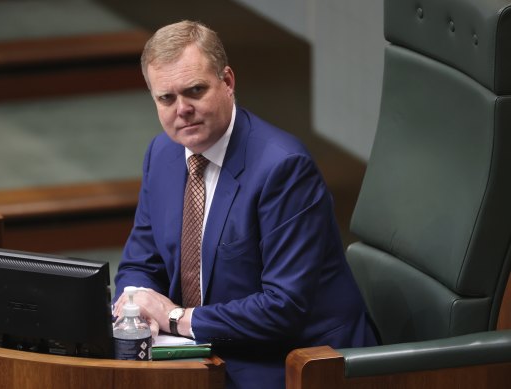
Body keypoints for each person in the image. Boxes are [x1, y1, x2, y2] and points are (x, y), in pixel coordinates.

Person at [113, 20, 377, 388]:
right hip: (205, 349)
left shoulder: (283, 169)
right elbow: (141, 261)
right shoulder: (162, 154)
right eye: (166, 98)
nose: (182, 109)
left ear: (228, 82)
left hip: (295, 362)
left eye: (195, 91)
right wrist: (134, 310)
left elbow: (282, 309)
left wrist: (174, 317)